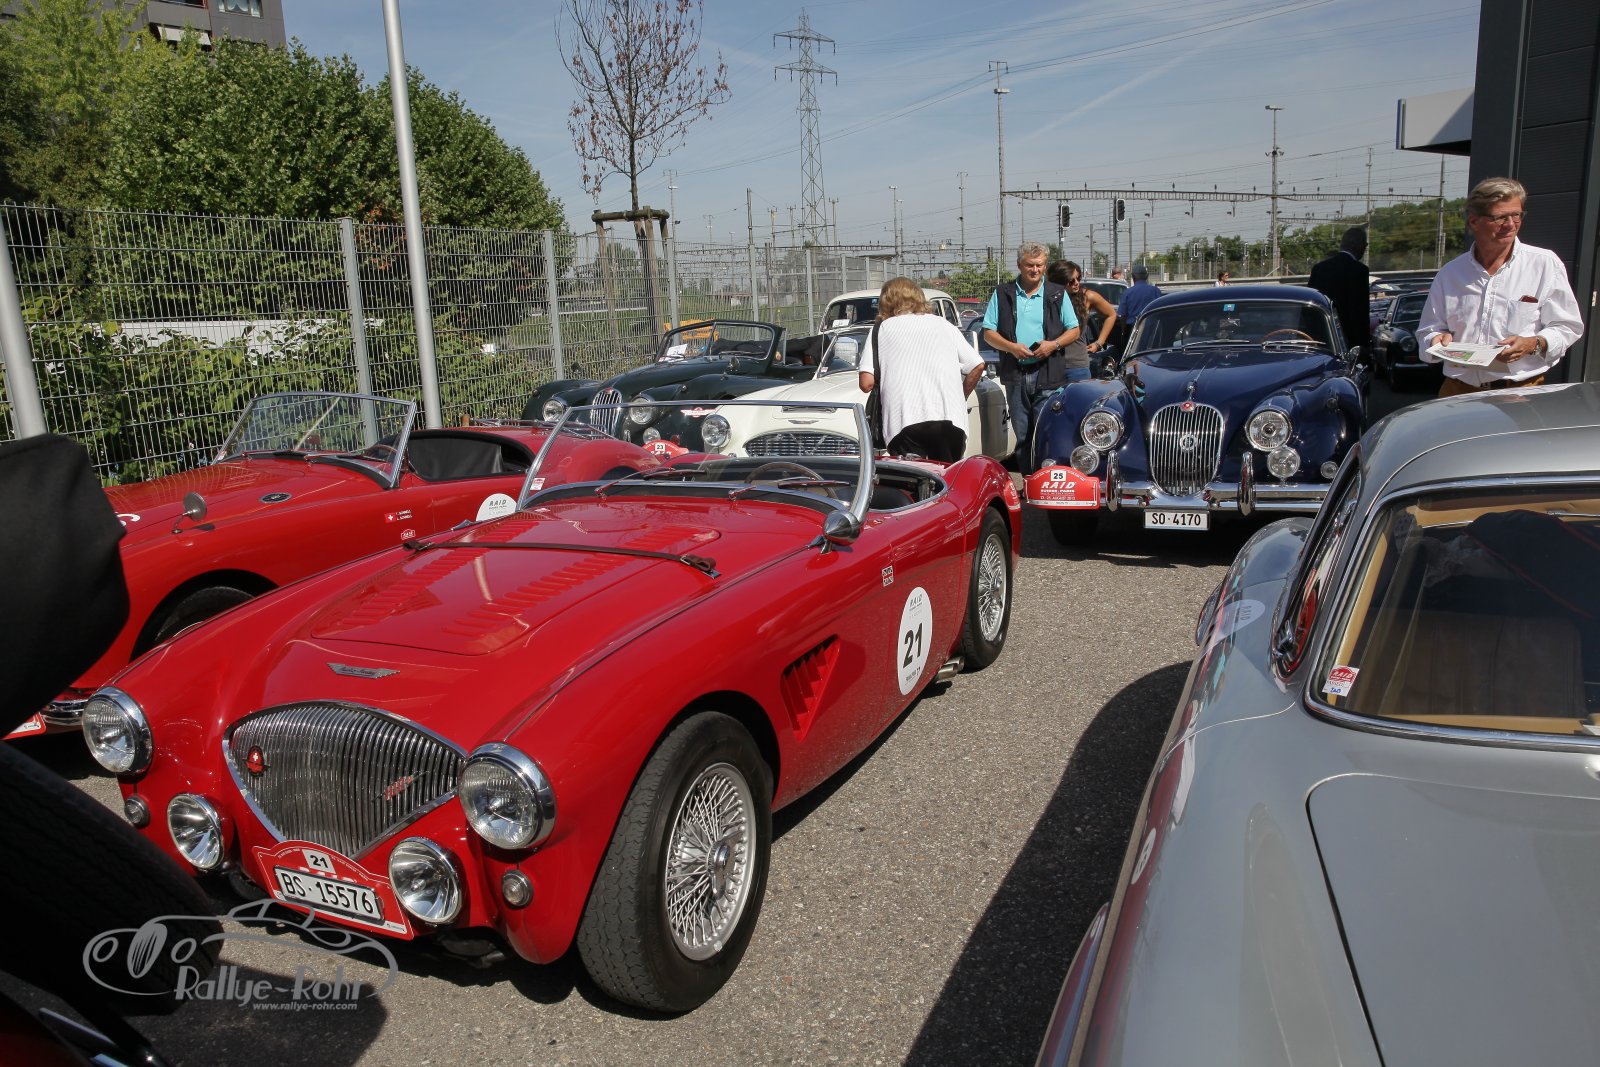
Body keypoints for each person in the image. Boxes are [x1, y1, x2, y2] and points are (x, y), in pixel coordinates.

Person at [1417, 176, 1583, 396]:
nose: (1511, 224)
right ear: (1474, 221)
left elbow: (1567, 326)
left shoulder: (1544, 264)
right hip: (1457, 390)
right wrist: (1435, 339)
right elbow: (1427, 331)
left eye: (1517, 215)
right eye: (1500, 217)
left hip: (1522, 391)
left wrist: (1533, 344)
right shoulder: (1450, 274)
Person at [859, 277, 984, 462]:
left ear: (885, 302)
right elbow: (977, 364)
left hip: (903, 421)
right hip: (950, 419)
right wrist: (961, 396)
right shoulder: (944, 324)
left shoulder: (881, 329)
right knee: (947, 475)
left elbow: (866, 383)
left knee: (911, 477)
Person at [980, 241, 1080, 471]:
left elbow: (1074, 330)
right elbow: (988, 333)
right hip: (1016, 374)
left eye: (1039, 265)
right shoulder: (1002, 293)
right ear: (1019, 265)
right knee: (1023, 435)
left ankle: (1047, 480)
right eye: (1030, 265)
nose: (1035, 270)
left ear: (1045, 266)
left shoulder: (1057, 293)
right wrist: (1011, 347)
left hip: (1048, 372)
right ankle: (1028, 480)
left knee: (1047, 432)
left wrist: (1053, 345)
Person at [1048, 260, 1118, 379]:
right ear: (1059, 281)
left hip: (1077, 365)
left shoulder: (1087, 296)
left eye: (1078, 278)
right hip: (1050, 365)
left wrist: (1099, 343)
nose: (1076, 283)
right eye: (1071, 281)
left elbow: (1111, 314)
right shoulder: (1048, 297)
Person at [1307, 227, 1370, 353]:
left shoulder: (1319, 269)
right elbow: (1359, 311)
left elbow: (1310, 304)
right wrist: (1363, 344)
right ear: (1357, 245)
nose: (1365, 247)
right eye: (1365, 244)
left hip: (1320, 338)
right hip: (1347, 341)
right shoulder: (1359, 270)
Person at [1114, 264, 1163, 350]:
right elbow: (1161, 312)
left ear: (1133, 277)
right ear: (1146, 276)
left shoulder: (1128, 293)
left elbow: (1123, 316)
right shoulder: (1155, 291)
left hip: (1133, 329)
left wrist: (1123, 332)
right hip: (1153, 329)